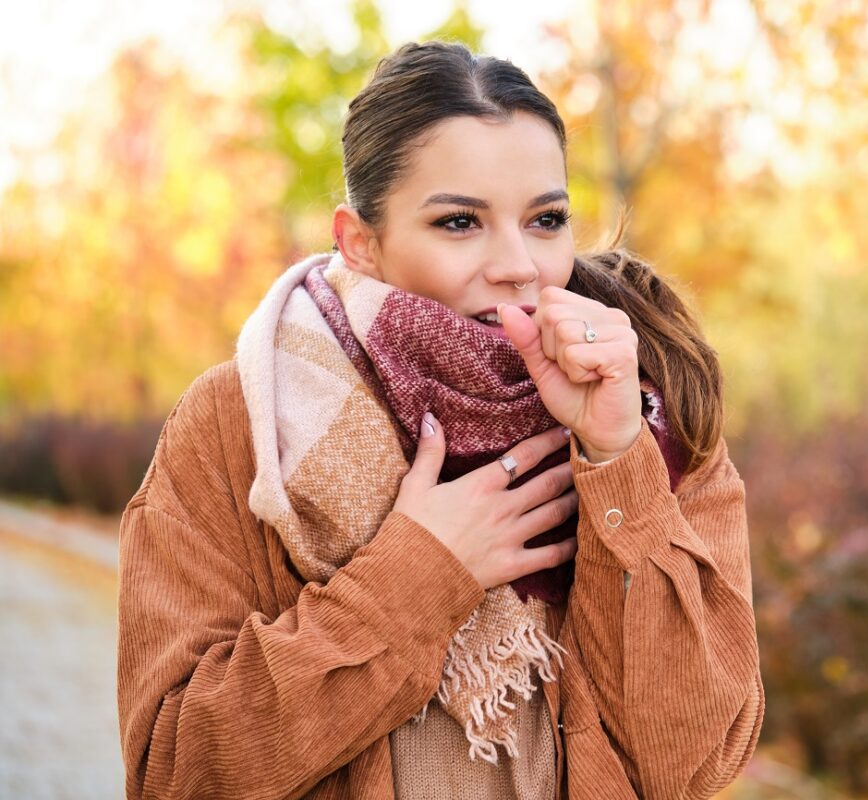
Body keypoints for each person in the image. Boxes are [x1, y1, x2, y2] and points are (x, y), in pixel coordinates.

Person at [116, 40, 763, 799]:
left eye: (546, 219)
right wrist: (418, 574)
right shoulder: (244, 422)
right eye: (460, 222)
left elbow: (691, 763)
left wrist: (618, 456)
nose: (518, 264)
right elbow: (175, 772)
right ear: (362, 243)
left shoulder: (659, 414)